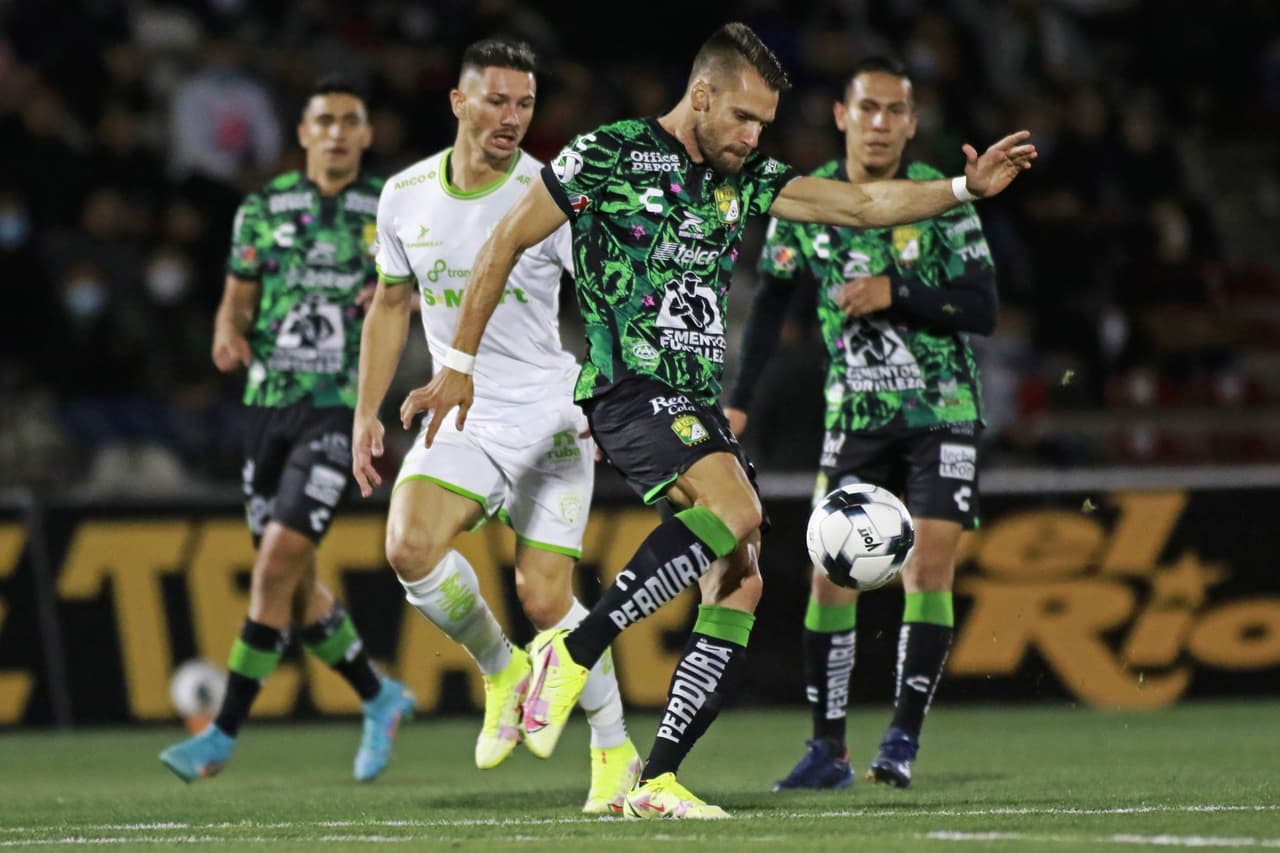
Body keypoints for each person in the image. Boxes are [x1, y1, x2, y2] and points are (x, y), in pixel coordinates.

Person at [404, 23, 1034, 819]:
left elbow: (863, 203)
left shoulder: (748, 177)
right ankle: (574, 648)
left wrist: (964, 191)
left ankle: (656, 778)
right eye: (742, 118)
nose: (753, 136)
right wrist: (456, 365)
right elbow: (501, 244)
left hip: (694, 403)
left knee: (740, 578)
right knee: (737, 511)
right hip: (628, 388)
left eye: (764, 124)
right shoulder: (606, 154)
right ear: (701, 96)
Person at [352, 38, 639, 814]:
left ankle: (614, 749)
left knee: (547, 598)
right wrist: (365, 413)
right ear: (458, 101)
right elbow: (389, 304)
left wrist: (612, 404)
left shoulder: (549, 195)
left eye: (525, 104)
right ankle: (502, 669)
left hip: (549, 411)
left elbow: (610, 305)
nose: (512, 118)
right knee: (408, 545)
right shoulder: (405, 194)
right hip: (462, 406)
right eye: (496, 100)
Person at [727, 57, 997, 791]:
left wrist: (896, 290)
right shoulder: (809, 201)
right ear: (842, 116)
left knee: (929, 567)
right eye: (867, 108)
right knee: (827, 577)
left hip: (943, 414)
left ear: (911, 124)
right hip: (855, 419)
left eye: (894, 112)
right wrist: (739, 399)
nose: (880, 123)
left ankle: (902, 739)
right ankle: (828, 750)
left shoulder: (943, 198)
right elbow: (774, 303)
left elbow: (982, 306)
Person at [160, 76, 415, 784]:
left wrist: (397, 295)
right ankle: (379, 694)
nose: (336, 131)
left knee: (274, 565)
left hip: (337, 406)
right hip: (266, 409)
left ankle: (220, 734)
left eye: (350, 120)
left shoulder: (389, 209)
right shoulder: (262, 208)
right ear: (303, 133)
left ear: (366, 136)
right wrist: (225, 332)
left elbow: (419, 294)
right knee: (295, 586)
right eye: (324, 120)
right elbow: (237, 300)